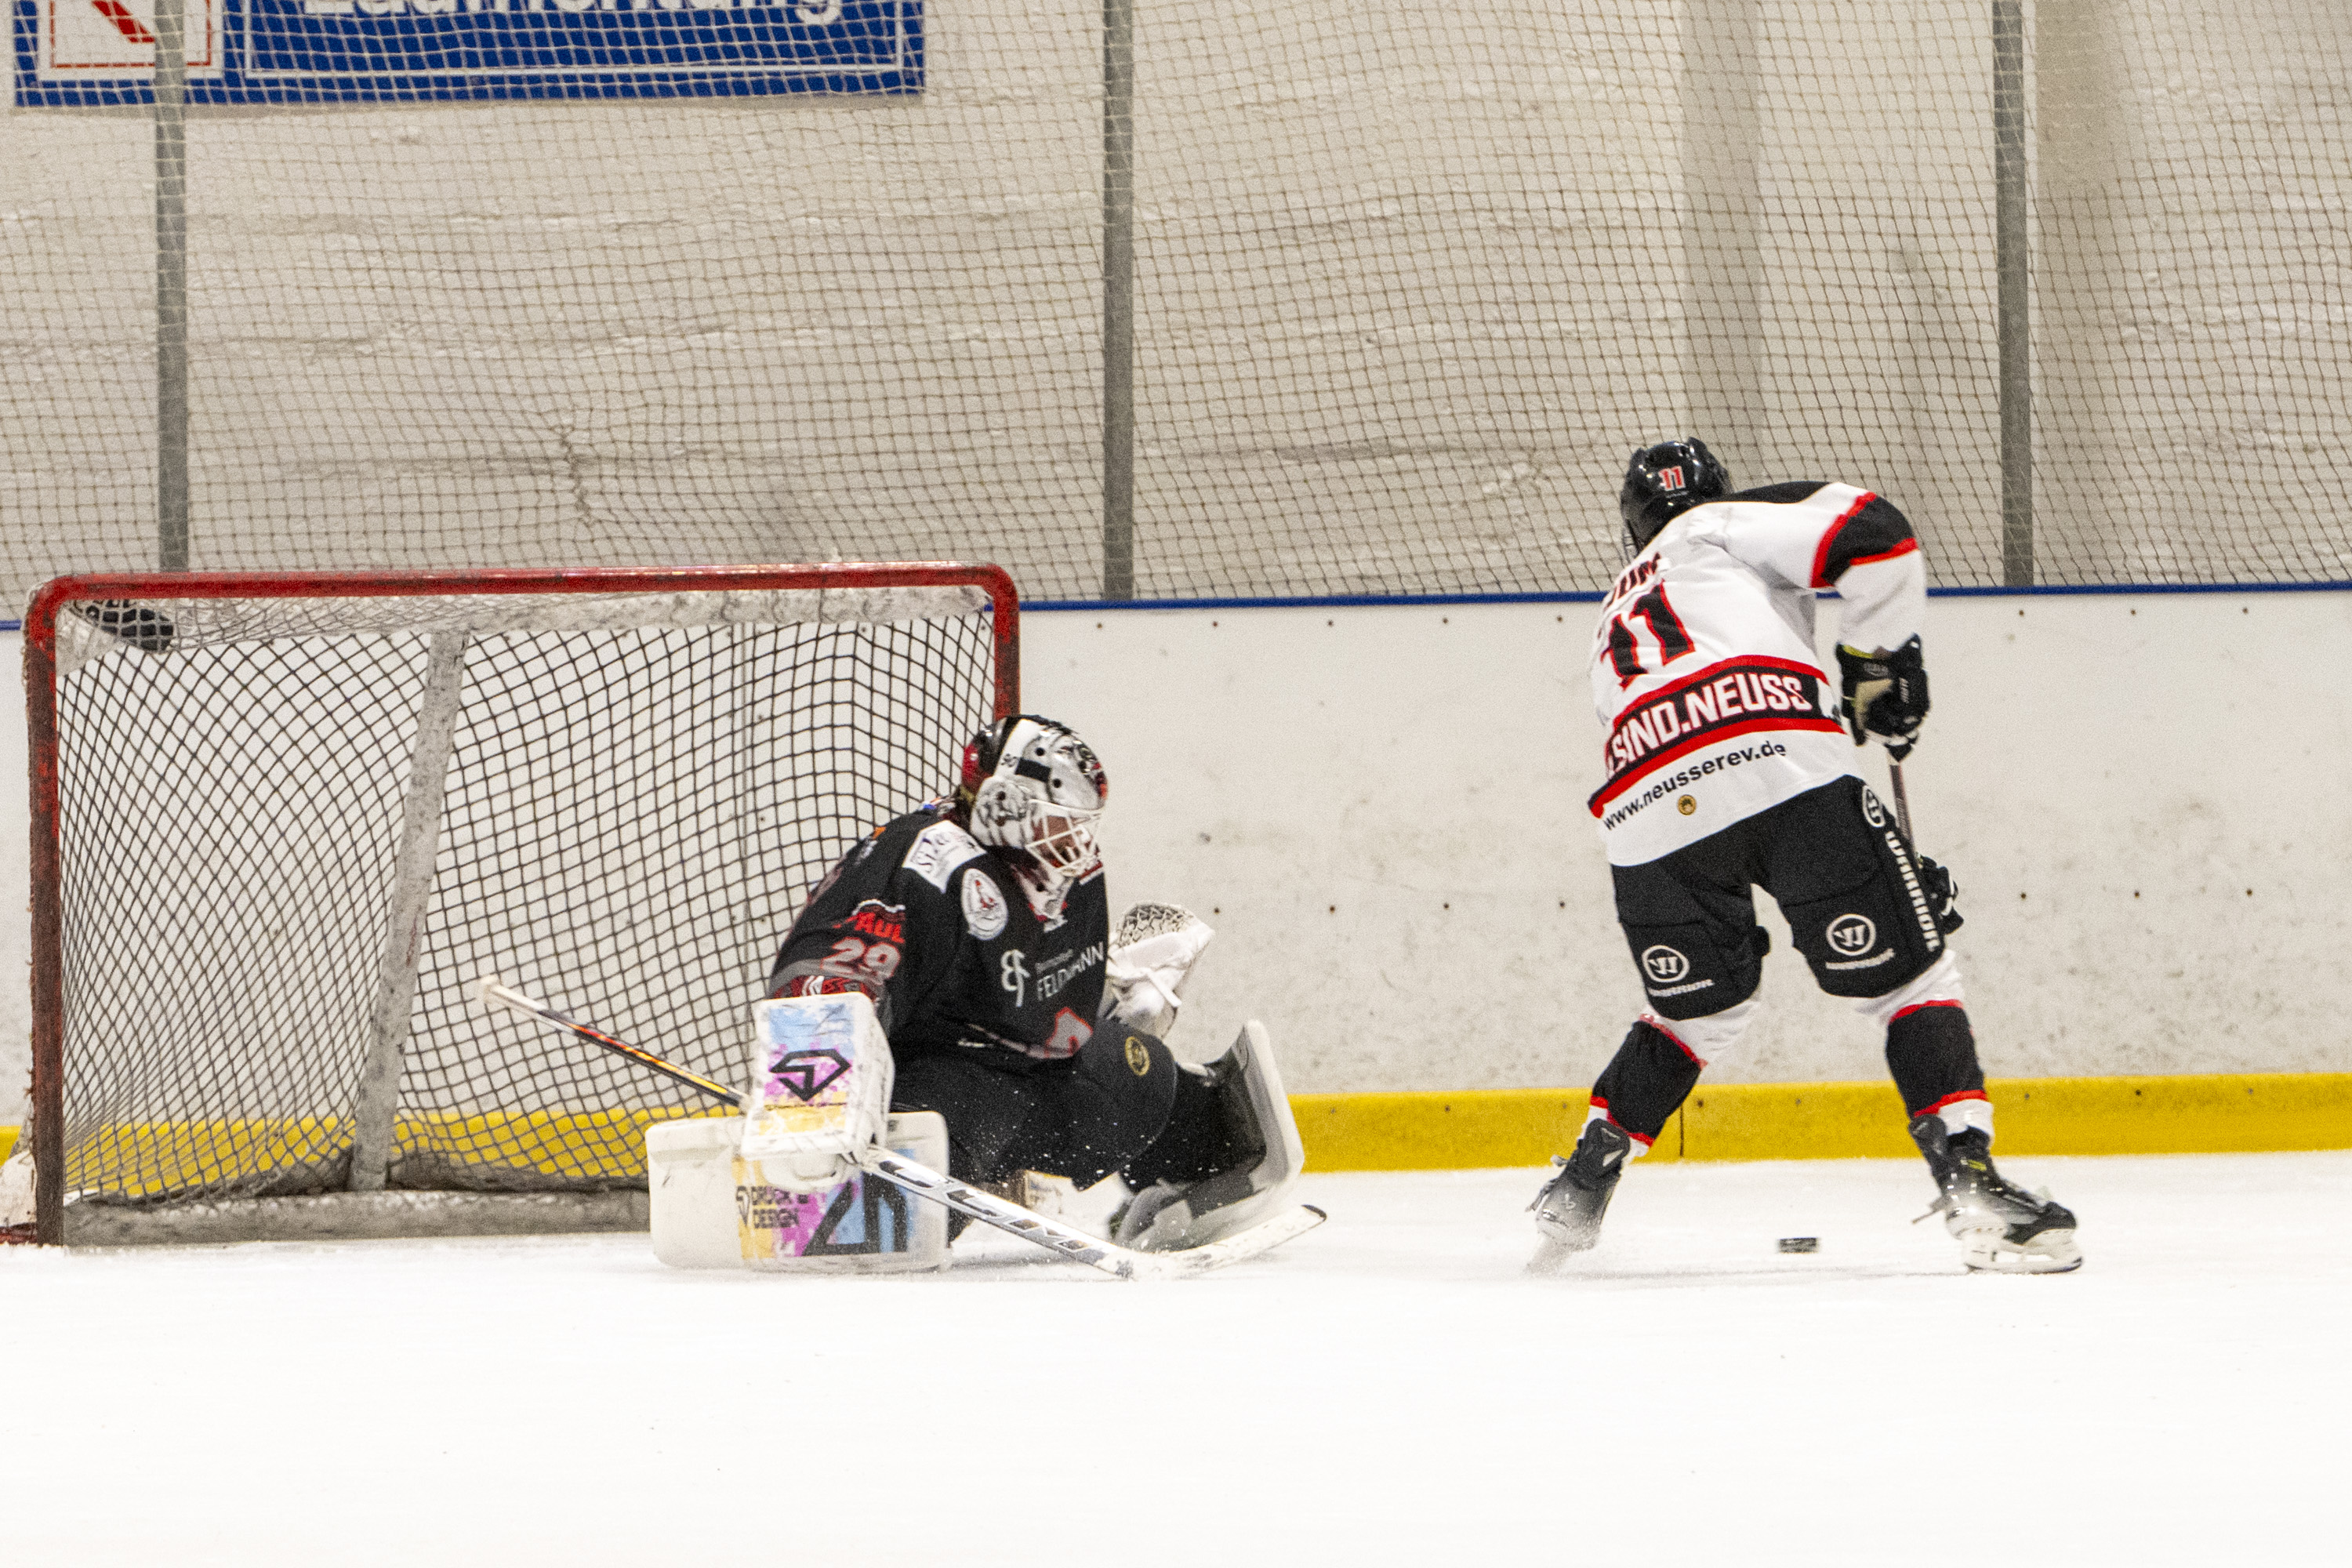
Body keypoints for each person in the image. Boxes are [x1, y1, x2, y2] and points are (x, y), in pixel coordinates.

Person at [1530, 438, 2081, 1274]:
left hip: (1643, 804)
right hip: (1776, 759)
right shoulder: (1725, 524)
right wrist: (1880, 661)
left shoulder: (1613, 605)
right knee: (1912, 978)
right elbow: (1879, 535)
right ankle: (1971, 1183)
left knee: (1697, 1011)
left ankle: (1581, 1178)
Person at [766, 713, 1296, 1250]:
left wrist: (1117, 999)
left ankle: (1197, 1173)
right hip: (927, 1090)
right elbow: (822, 980)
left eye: (1082, 822)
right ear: (1002, 805)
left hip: (1019, 1077)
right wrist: (817, 1116)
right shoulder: (919, 860)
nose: (1078, 838)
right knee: (921, 1191)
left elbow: (1033, 997)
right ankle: (833, 1219)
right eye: (1060, 819)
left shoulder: (1061, 869)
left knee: (1137, 1074)